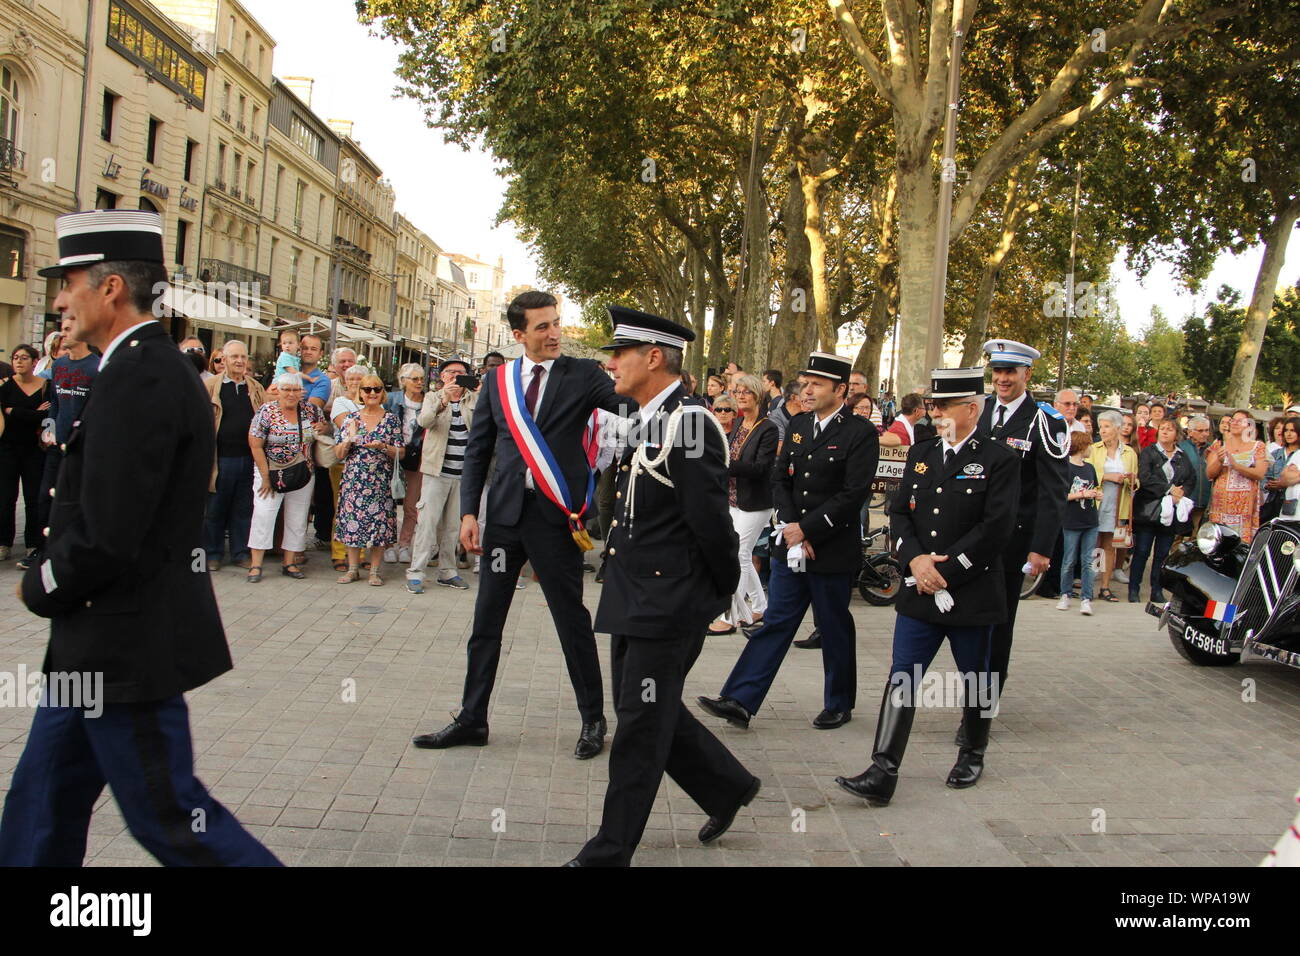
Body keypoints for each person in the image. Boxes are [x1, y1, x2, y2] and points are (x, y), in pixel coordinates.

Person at [3, 209, 279, 866]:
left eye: (69, 281)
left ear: (110, 289)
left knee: (172, 818)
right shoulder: (135, 366)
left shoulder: (142, 372)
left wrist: (41, 580)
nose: (60, 298)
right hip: (95, 643)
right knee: (42, 804)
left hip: (122, 645)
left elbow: (109, 532)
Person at [568, 312, 758, 866]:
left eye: (619, 353)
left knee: (641, 725)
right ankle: (726, 786)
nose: (610, 364)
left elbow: (711, 525)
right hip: (633, 593)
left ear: (654, 357)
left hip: (669, 600)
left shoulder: (691, 424)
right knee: (643, 709)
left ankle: (608, 850)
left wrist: (716, 596)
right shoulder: (651, 417)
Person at [411, 291, 632, 760]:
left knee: (571, 620)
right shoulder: (498, 381)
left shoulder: (583, 374)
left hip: (557, 520)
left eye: (556, 323)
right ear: (518, 335)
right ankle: (473, 719)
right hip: (505, 521)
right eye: (542, 327)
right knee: (485, 622)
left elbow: (627, 404)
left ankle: (594, 719)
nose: (554, 333)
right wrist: (470, 513)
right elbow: (479, 451)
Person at [835, 366, 1019, 806]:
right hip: (920, 587)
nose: (934, 412)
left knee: (977, 676)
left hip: (970, 590)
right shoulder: (922, 452)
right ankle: (883, 768)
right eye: (932, 405)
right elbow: (901, 513)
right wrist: (914, 558)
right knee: (903, 674)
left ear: (971, 408)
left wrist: (948, 570)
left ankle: (972, 751)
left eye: (943, 406)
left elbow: (996, 529)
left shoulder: (1000, 459)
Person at [699, 352, 878, 730]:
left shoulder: (859, 433)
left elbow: (853, 492)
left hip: (829, 546)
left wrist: (809, 529)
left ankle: (839, 702)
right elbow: (781, 480)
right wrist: (793, 526)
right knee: (777, 620)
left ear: (840, 390)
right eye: (805, 383)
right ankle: (739, 699)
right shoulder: (798, 425)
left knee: (833, 624)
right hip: (791, 544)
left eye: (817, 384)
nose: (807, 390)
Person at [967, 339, 1067, 745]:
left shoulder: (1044, 421)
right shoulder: (981, 412)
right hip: (971, 542)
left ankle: (981, 712)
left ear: (1027, 374)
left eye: (1012, 371)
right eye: (998, 371)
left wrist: (1041, 548)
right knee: (970, 626)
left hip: (1011, 544)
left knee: (996, 628)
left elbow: (1052, 490)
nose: (1003, 379)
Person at [708, 372, 779, 634]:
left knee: (738, 554)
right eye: (737, 392)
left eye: (745, 392)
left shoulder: (768, 428)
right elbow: (728, 452)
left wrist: (724, 464)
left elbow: (760, 468)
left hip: (756, 502)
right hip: (734, 498)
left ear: (757, 395)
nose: (739, 397)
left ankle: (730, 617)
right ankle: (760, 606)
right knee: (741, 554)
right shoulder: (738, 423)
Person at [405, 358, 479, 593]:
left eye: (460, 373)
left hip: (464, 474)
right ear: (442, 376)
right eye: (450, 373)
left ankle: (448, 571)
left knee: (451, 527)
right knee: (427, 523)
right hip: (436, 471)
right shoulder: (432, 397)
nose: (455, 377)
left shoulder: (475, 400)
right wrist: (443, 400)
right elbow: (423, 421)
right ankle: (416, 572)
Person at [246, 372, 328, 582]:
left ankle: (289, 562)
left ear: (301, 392)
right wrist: (265, 476)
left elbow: (324, 426)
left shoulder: (311, 410)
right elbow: (255, 444)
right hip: (272, 471)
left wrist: (322, 426)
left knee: (298, 517)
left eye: (295, 390)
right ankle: (256, 564)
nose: (291, 394)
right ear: (277, 391)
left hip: (303, 472)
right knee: (264, 514)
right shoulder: (267, 411)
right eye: (286, 390)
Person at [36, 315, 99, 560]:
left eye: (69, 329)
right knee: (45, 498)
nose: (63, 334)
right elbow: (53, 403)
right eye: (62, 330)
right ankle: (44, 551)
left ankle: (72, 552)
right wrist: (48, 428)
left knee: (75, 502)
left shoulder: (97, 367)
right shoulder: (59, 366)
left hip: (81, 449)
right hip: (56, 445)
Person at [333, 373, 401, 585]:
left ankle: (374, 570)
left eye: (377, 389)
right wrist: (349, 441)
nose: (372, 393)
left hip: (380, 479)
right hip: (355, 478)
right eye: (367, 389)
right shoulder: (351, 419)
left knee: (379, 524)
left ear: (383, 393)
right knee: (352, 522)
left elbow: (402, 451)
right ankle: (353, 569)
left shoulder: (391, 419)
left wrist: (383, 446)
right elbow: (338, 453)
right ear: (360, 393)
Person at [203, 339, 265, 572]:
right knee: (215, 509)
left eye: (243, 357)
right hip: (220, 459)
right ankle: (212, 553)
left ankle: (240, 553)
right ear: (224, 360)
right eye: (234, 357)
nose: (239, 361)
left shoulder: (255, 387)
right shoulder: (211, 386)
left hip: (248, 458)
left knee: (243, 508)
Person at [1129, 418, 1196, 603]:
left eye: (1169, 429)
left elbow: (1191, 479)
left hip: (1170, 512)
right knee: (1142, 551)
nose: (1165, 432)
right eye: (1162, 428)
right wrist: (1168, 489)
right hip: (1149, 510)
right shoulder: (1149, 452)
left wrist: (1181, 493)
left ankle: (1156, 589)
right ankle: (1133, 588)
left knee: (1162, 553)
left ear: (1176, 435)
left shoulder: (1182, 456)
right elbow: (1145, 477)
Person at [0, 343, 50, 566]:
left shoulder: (44, 387)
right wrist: (32, 413)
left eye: (24, 358)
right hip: (7, 449)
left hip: (34, 450)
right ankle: (4, 543)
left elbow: (46, 415)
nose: (19, 361)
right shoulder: (5, 388)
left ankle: (33, 543)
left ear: (33, 361)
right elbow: (4, 415)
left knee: (33, 498)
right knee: (5, 497)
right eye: (15, 358)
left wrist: (16, 412)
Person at [1087, 410, 1139, 602]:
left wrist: (1131, 481)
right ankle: (1088, 584)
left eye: (1107, 426)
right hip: (1097, 500)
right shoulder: (1093, 449)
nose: (1103, 430)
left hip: (1118, 502)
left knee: (1110, 544)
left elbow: (1136, 481)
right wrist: (1107, 476)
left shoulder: (1129, 453)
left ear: (1117, 428)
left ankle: (1105, 586)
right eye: (1101, 426)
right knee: (1093, 542)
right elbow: (1085, 475)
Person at [1206, 408, 1269, 543]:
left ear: (1249, 425)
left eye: (1240, 421)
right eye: (1233, 420)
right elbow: (1209, 474)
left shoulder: (1258, 446)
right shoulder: (1219, 444)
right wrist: (1219, 460)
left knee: (1240, 544)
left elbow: (1260, 474)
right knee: (1218, 543)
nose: (1234, 423)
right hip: (1220, 505)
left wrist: (1235, 465)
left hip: (1244, 507)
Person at [1057, 430, 1102, 615]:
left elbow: (1094, 487)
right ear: (1081, 446)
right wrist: (1082, 494)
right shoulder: (1065, 468)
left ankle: (1086, 597)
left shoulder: (1089, 468)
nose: (1091, 448)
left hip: (1090, 519)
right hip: (1071, 520)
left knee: (1088, 561)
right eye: (1089, 445)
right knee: (1068, 560)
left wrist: (1096, 494)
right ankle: (1065, 594)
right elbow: (1061, 495)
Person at [296, 333, 333, 549]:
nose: (308, 351)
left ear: (320, 354)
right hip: (281, 444)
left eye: (313, 348)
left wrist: (284, 397)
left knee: (305, 499)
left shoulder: (322, 380)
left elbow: (310, 408)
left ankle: (298, 546)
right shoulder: (286, 371)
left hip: (308, 446)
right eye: (304, 347)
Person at [386, 362, 426, 564]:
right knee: (389, 501)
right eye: (415, 379)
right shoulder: (392, 399)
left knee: (411, 504)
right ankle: (388, 544)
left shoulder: (428, 401)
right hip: (392, 456)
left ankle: (404, 544)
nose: (419, 382)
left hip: (417, 457)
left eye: (421, 379)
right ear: (403, 381)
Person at [1179, 414, 1214, 528]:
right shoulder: (1180, 448)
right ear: (1190, 432)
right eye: (1200, 431)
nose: (1205, 434)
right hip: (1184, 500)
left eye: (1207, 430)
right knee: (1179, 536)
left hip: (1205, 501)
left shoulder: (1212, 449)